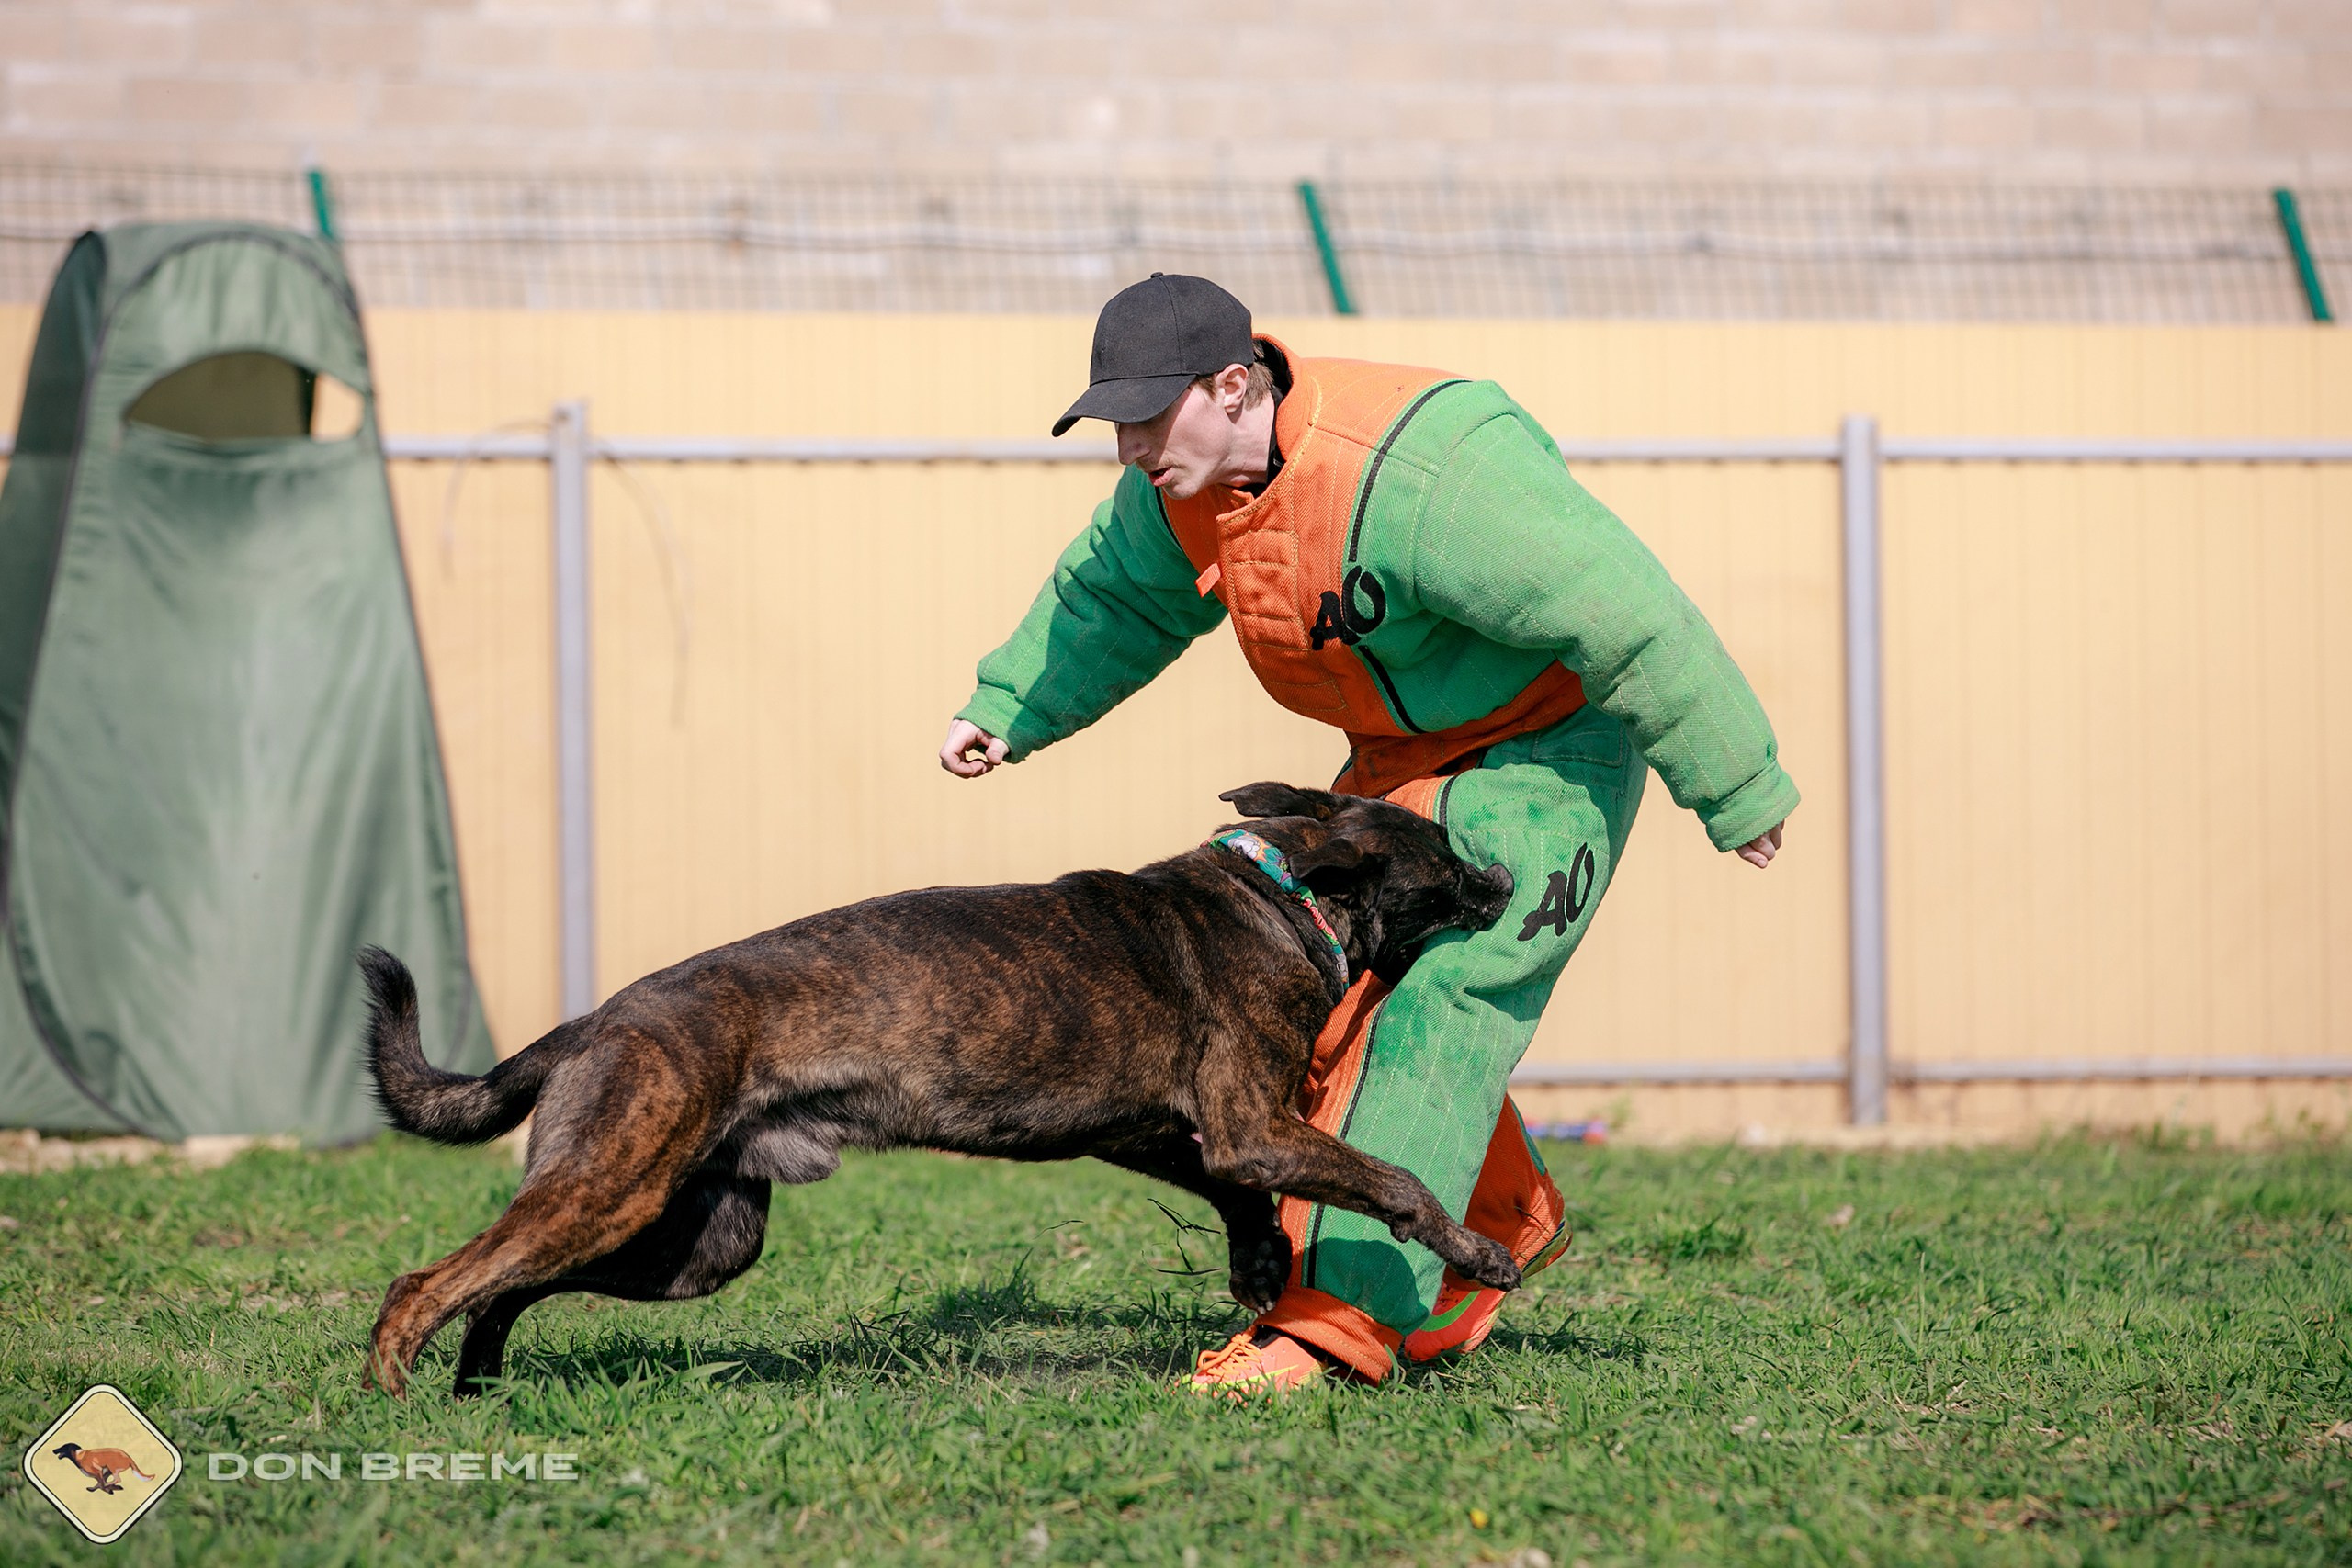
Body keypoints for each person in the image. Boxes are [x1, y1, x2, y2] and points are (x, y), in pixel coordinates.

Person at [939, 274, 1796, 1394]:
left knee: (1441, 993)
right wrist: (1006, 709)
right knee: (1313, 998)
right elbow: (1115, 602)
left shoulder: (1428, 472)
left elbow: (1623, 610)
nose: (1130, 450)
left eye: (1148, 418)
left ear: (1233, 384)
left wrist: (1735, 784)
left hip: (1549, 741)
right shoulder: (1185, 487)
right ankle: (1497, 1220)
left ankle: (1334, 1328)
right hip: (1395, 757)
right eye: (1115, 424)